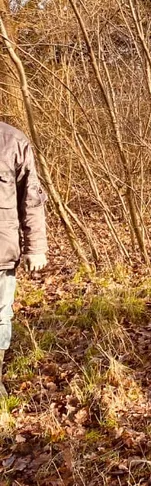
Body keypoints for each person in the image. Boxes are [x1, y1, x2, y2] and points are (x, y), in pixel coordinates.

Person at [0, 122, 48, 397]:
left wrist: (35, 247)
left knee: (0, 316)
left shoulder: (13, 141)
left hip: (1, 252)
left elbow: (31, 198)